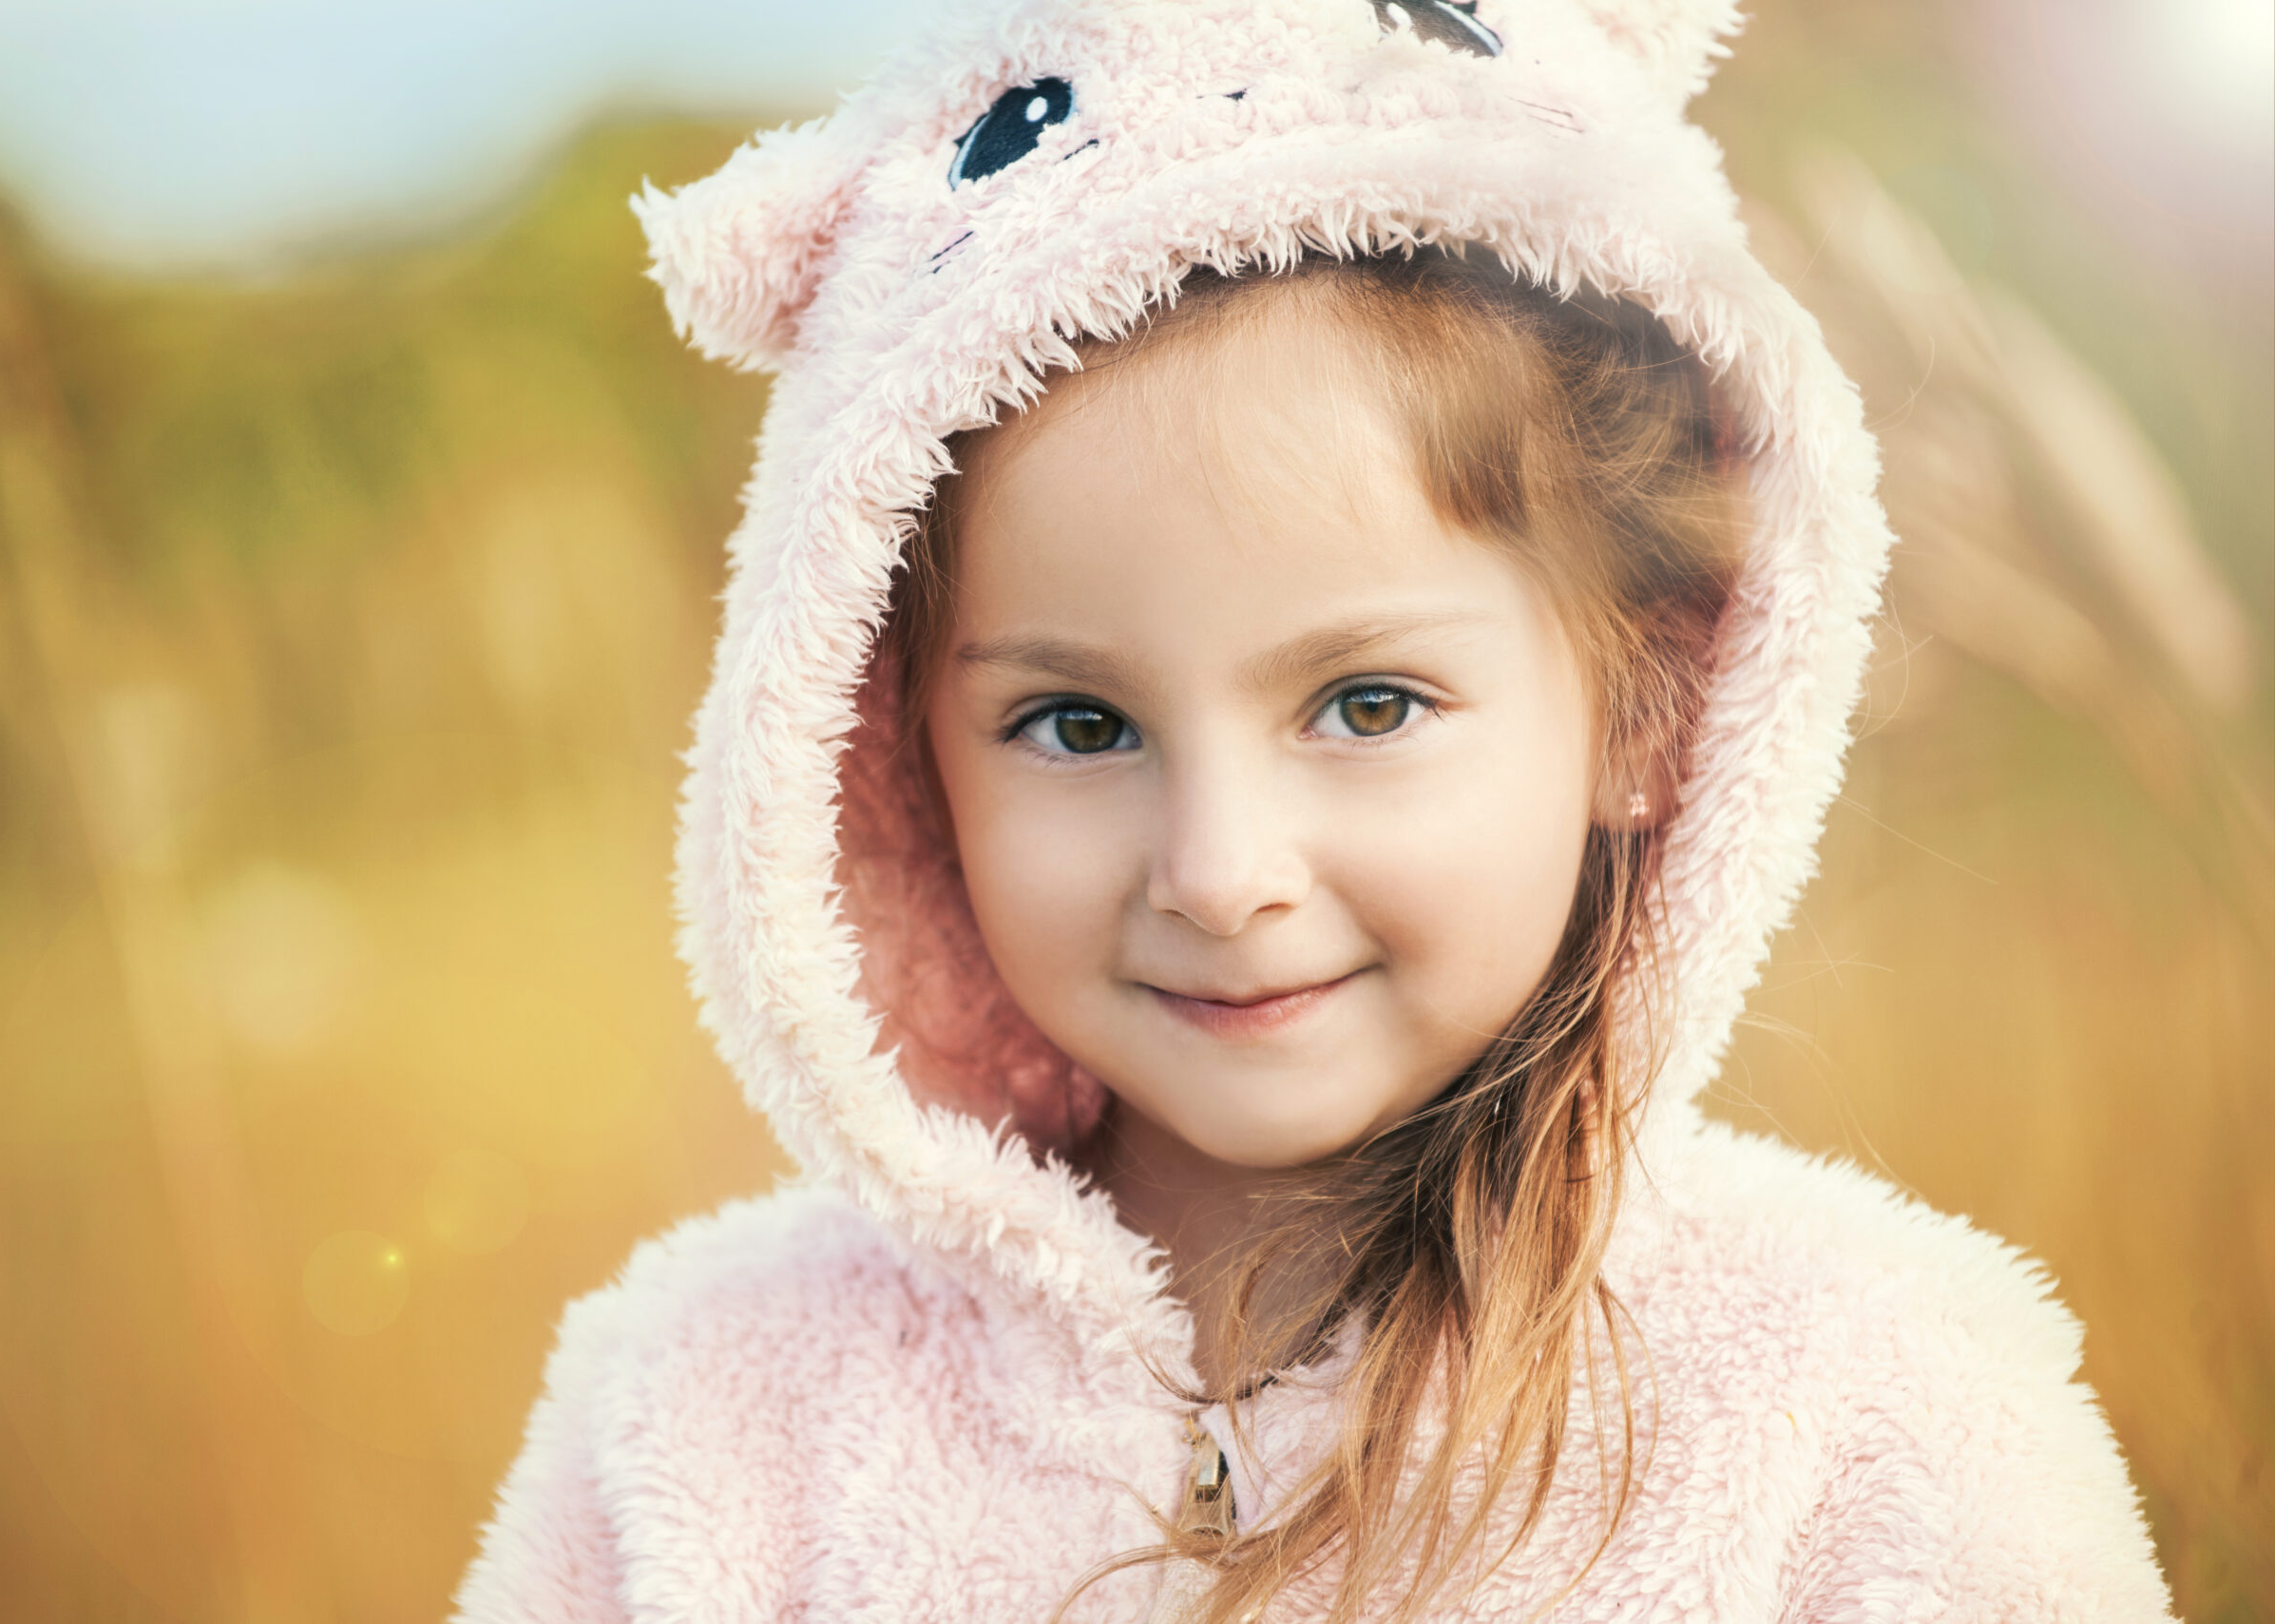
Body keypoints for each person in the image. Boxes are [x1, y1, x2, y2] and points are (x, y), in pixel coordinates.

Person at [454, 1, 2170, 1618]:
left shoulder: (1865, 1407)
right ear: (900, 752)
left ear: (1646, 703)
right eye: (1076, 721)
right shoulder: (706, 1417)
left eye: (1366, 704)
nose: (1219, 872)